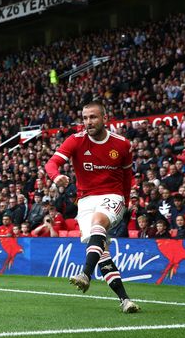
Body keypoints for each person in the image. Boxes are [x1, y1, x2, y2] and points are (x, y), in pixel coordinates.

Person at [45, 101, 139, 313]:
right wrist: (56, 176)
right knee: (102, 253)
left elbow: (126, 176)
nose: (88, 122)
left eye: (93, 117)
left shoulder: (122, 144)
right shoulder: (75, 140)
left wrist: (125, 201)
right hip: (86, 201)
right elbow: (51, 164)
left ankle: (85, 274)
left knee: (99, 222)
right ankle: (125, 300)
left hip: (113, 197)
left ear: (105, 119)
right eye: (85, 118)